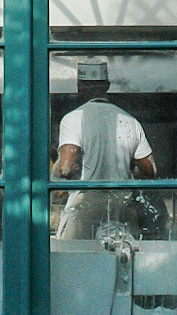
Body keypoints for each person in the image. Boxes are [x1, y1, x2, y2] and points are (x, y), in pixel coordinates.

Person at [53, 60, 157, 240]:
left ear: (79, 86)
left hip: (85, 206)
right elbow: (150, 170)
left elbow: (65, 168)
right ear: (107, 86)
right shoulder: (130, 120)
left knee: (72, 261)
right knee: (122, 259)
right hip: (121, 207)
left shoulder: (73, 119)